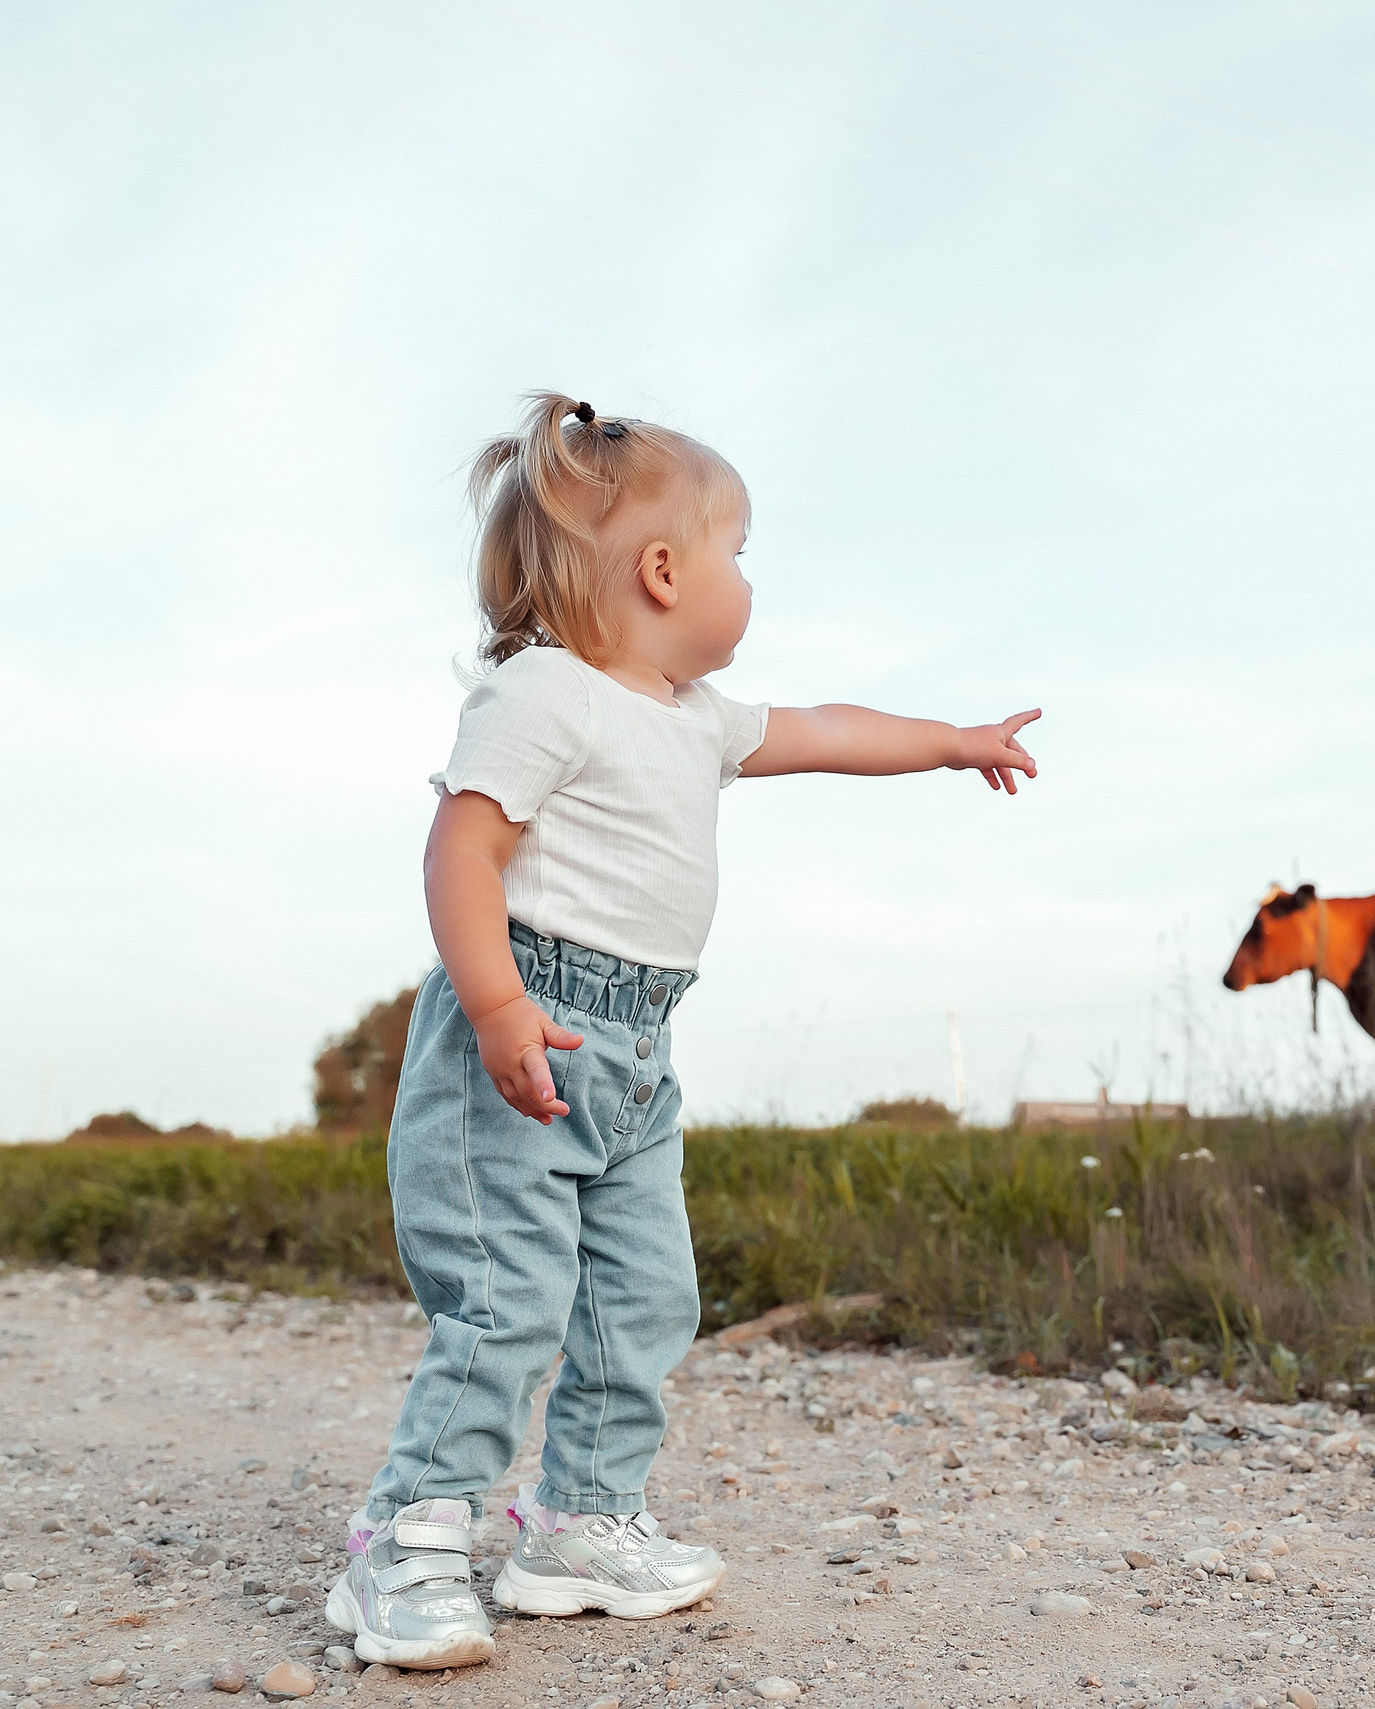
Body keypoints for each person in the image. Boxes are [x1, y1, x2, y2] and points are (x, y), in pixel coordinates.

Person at [327, 393, 1039, 1669]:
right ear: (663, 570)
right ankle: (408, 1538)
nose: (747, 579)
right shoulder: (545, 693)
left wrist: (949, 742)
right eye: (740, 552)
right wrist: (496, 1004)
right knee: (506, 1300)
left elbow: (824, 729)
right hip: (529, 1034)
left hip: (642, 1053)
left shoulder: (694, 719)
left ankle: (584, 1524)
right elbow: (463, 848)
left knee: (642, 1296)